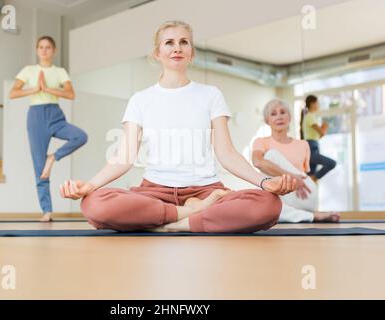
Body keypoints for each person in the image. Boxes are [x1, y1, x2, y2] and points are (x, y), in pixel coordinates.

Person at [60, 21, 296, 233]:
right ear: (157, 53)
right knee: (93, 203)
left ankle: (170, 224)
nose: (177, 48)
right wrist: (90, 185)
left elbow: (226, 154)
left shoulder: (210, 95)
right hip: (155, 193)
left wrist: (265, 183)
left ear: (191, 53)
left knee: (269, 205)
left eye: (184, 42)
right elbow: (124, 157)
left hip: (206, 191)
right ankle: (188, 214)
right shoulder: (140, 99)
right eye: (169, 42)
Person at [9, 36, 88, 222]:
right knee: (40, 169)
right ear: (37, 50)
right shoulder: (28, 71)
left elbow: (70, 94)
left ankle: (53, 157)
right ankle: (47, 211)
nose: (44, 50)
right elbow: (13, 93)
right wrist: (36, 89)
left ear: (54, 51)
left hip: (55, 115)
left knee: (80, 136)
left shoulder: (60, 72)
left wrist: (48, 89)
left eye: (48, 47)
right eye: (41, 47)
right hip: (36, 117)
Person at [252, 99, 340, 223]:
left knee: (271, 155)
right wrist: (292, 177)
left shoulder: (303, 144)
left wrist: (298, 181)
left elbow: (305, 176)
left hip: (302, 195)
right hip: (278, 197)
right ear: (267, 120)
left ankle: (302, 212)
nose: (279, 116)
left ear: (289, 117)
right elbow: (258, 162)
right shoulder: (261, 142)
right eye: (273, 113)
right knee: (270, 157)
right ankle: (312, 216)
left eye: (283, 112)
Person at [301, 95, 336, 181]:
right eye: (317, 103)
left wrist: (323, 129)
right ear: (312, 104)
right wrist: (325, 127)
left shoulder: (311, 117)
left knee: (310, 176)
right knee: (331, 163)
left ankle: (312, 179)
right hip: (311, 148)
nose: (318, 105)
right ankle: (314, 177)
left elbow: (318, 136)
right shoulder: (309, 116)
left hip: (314, 145)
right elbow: (322, 132)